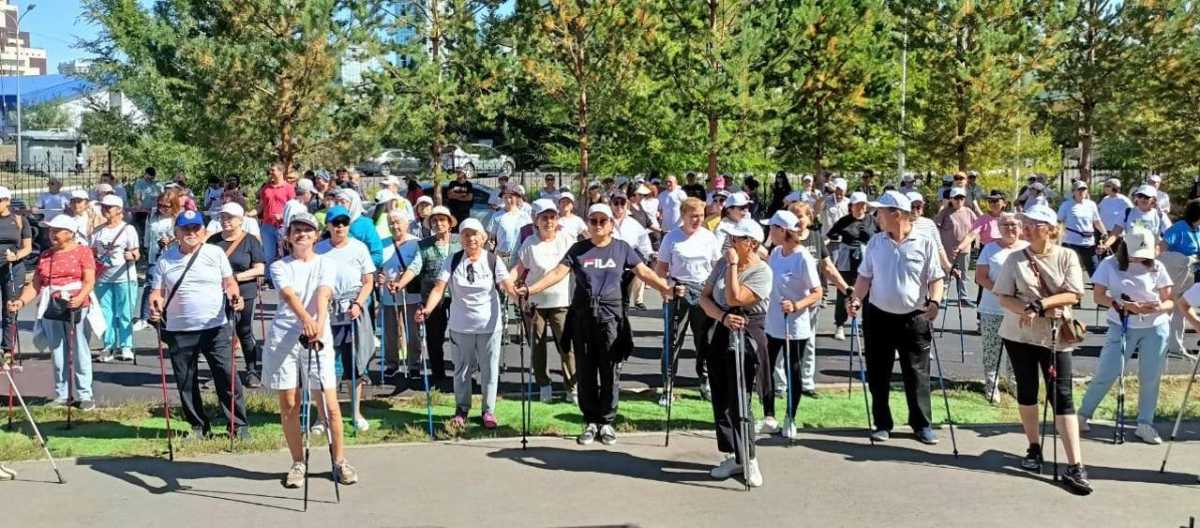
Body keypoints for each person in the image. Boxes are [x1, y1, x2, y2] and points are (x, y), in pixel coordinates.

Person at [520, 203, 671, 446]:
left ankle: (607, 422)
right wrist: (530, 289)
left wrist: (666, 288)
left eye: (603, 221)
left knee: (610, 370)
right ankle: (590, 421)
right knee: (586, 370)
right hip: (582, 317)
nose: (598, 225)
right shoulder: (578, 249)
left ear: (611, 224)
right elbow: (557, 273)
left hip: (611, 318)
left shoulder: (621, 248)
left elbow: (644, 272)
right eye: (593, 221)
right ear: (588, 224)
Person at [991, 204, 1091, 495]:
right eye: (1026, 222)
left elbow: (1074, 293)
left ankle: (1076, 465)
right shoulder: (1015, 259)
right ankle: (1034, 447)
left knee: (1062, 397)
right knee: (1026, 390)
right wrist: (1026, 308)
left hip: (1056, 336)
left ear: (1050, 228)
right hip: (1018, 335)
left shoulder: (1067, 255)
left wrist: (1041, 306)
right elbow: (1003, 297)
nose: (1027, 227)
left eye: (1035, 223)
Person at [263, 211, 358, 488]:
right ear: (289, 236)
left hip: (318, 333)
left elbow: (324, 294)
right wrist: (306, 320)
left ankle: (339, 460)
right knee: (290, 402)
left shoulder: (326, 263)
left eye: (307, 229)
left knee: (328, 404)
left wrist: (317, 325)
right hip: (285, 335)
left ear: (317, 235)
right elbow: (289, 295)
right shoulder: (280, 266)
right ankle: (297, 462)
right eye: (297, 230)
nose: (302, 234)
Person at [846, 190, 945, 445]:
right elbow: (865, 277)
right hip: (878, 316)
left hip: (914, 317)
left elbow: (936, 278)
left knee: (917, 373)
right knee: (878, 373)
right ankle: (882, 423)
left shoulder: (925, 242)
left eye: (880, 211)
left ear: (896, 214)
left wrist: (935, 302)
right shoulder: (876, 243)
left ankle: (921, 424)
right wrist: (856, 299)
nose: (876, 215)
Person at [147, 210, 248, 440]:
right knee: (186, 380)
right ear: (177, 233)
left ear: (203, 232)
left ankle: (238, 425)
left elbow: (229, 282)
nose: (191, 233)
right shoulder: (165, 260)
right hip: (179, 329)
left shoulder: (215, 253)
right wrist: (155, 305)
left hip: (215, 326)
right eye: (186, 229)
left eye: (195, 228)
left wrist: (235, 296)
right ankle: (198, 426)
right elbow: (157, 292)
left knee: (227, 375)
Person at [417, 218, 519, 429]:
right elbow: (439, 288)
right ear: (460, 238)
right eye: (465, 234)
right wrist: (427, 309)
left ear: (482, 237)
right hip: (461, 326)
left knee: (489, 370)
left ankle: (488, 410)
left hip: (489, 326)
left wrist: (519, 297)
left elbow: (507, 285)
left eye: (474, 234)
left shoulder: (493, 260)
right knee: (462, 370)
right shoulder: (453, 260)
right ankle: (461, 409)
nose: (470, 238)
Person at [1078, 225, 1173, 445]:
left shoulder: (1157, 266)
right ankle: (1083, 415)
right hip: (1122, 324)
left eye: (1144, 256)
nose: (1140, 260)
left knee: (1150, 376)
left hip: (1156, 327)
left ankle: (1145, 423)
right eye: (1136, 255)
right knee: (1107, 371)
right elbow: (1099, 297)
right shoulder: (1109, 264)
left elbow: (1169, 300)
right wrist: (1123, 304)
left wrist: (1156, 307)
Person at [697, 217, 771, 487]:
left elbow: (735, 298)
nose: (730, 242)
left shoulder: (762, 271)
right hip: (721, 328)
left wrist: (732, 264)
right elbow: (704, 298)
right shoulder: (721, 263)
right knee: (721, 394)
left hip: (748, 334)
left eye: (736, 239)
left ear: (751, 244)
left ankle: (749, 456)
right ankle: (733, 455)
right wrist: (721, 318)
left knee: (741, 396)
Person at [8, 215, 96, 408]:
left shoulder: (83, 251)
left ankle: (84, 395)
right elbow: (36, 284)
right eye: (50, 230)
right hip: (52, 306)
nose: (51, 234)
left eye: (56, 231)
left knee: (80, 349)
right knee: (58, 351)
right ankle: (62, 395)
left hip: (76, 305)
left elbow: (89, 280)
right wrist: (21, 301)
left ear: (70, 233)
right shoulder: (46, 255)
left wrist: (80, 297)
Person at [315, 206, 376, 431]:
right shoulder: (319, 249)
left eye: (344, 222)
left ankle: (355, 413)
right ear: (328, 225)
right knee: (325, 364)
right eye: (335, 223)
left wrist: (359, 303)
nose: (340, 227)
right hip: (327, 311)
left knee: (356, 364)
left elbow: (368, 281)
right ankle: (323, 417)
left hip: (352, 308)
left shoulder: (359, 248)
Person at [761, 210, 822, 438]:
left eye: (772, 228)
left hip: (794, 325)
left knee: (793, 370)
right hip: (772, 322)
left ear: (782, 231)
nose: (770, 232)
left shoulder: (802, 257)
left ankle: (790, 417)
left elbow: (817, 292)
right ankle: (769, 416)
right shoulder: (775, 253)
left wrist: (796, 305)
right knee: (765, 368)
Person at [656, 197, 721, 402]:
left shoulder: (708, 238)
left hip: (703, 292)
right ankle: (667, 386)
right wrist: (667, 289)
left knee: (706, 341)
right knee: (673, 340)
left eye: (700, 216)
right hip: (679, 291)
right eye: (693, 216)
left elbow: (715, 267)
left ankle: (706, 382)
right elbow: (661, 269)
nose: (697, 220)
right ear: (683, 215)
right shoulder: (671, 238)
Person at [514, 199, 577, 403]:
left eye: (552, 217)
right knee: (538, 345)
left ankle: (572, 387)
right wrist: (507, 284)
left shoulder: (567, 239)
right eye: (544, 218)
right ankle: (544, 385)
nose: (549, 221)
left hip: (562, 302)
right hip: (535, 304)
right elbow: (519, 270)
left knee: (566, 346)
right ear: (536, 220)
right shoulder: (529, 243)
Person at [207, 202, 267, 387]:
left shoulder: (250, 241)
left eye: (230, 217)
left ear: (241, 220)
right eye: (223, 217)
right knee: (221, 334)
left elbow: (259, 268)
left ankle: (251, 370)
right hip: (217, 292)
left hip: (244, 291)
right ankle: (222, 373)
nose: (226, 221)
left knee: (244, 331)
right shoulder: (213, 240)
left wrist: (233, 277)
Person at [975, 213, 1025, 402]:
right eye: (1005, 224)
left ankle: (1013, 382)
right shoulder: (989, 249)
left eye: (1013, 224)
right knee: (991, 349)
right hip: (992, 307)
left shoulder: (1028, 248)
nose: (1010, 228)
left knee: (1017, 349)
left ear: (1020, 227)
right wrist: (1001, 293)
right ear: (998, 227)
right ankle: (991, 384)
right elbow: (980, 277)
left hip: (1019, 309)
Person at [413, 206, 460, 384]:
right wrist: (401, 282)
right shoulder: (423, 245)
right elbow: (415, 267)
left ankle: (463, 375)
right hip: (432, 296)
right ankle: (438, 375)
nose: (438, 223)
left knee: (461, 337)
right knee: (434, 337)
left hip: (457, 295)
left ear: (449, 223)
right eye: (435, 220)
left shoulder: (459, 241)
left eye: (442, 220)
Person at [91, 195, 140, 363]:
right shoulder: (97, 231)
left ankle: (126, 346)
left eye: (108, 207)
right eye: (103, 207)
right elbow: (92, 252)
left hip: (124, 277)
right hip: (103, 278)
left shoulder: (128, 230)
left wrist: (131, 255)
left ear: (119, 210)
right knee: (105, 314)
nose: (105, 210)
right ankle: (108, 345)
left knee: (125, 313)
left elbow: (136, 252)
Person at [825, 191, 877, 340]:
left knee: (868, 293)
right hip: (847, 259)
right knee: (844, 291)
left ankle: (866, 325)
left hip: (867, 259)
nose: (860, 207)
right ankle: (840, 324)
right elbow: (830, 236)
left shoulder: (872, 221)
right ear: (851, 206)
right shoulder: (844, 221)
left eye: (863, 204)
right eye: (857, 204)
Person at [378, 209, 423, 381]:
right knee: (391, 331)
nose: (394, 226)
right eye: (391, 222)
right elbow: (377, 268)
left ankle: (414, 365)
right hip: (389, 294)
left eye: (397, 222)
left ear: (407, 223)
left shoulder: (416, 242)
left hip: (411, 294)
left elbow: (420, 267)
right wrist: (378, 276)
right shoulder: (382, 243)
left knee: (413, 332)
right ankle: (392, 364)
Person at [1160, 200, 1200, 358]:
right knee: (1170, 309)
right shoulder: (1179, 228)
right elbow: (1161, 248)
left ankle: (1175, 347)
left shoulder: (1197, 229)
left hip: (1189, 275)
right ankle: (1161, 345)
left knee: (1180, 310)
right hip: (1175, 274)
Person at [0, 187, 32, 356]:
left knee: (10, 308)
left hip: (13, 267)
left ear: (7, 201)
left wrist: (16, 255)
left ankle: (7, 348)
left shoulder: (19, 219)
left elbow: (28, 248)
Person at [934, 187, 979, 306]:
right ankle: (942, 297)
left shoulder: (969, 212)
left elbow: (975, 229)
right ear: (951, 199)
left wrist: (965, 244)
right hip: (947, 250)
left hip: (964, 249)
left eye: (961, 198)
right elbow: (935, 229)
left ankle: (963, 297)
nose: (959, 200)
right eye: (956, 198)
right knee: (945, 273)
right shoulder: (945, 212)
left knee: (963, 274)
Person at [610, 192, 654, 310]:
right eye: (616, 203)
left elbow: (644, 241)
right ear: (611, 205)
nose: (619, 206)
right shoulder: (605, 222)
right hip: (609, 265)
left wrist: (649, 255)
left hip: (628, 266)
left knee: (624, 298)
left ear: (627, 205)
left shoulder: (634, 224)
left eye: (622, 203)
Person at [1057, 181, 1107, 278]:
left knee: (1094, 269)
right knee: (1070, 269)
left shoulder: (1091, 205)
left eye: (1084, 189)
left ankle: (1097, 289)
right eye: (1079, 190)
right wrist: (1057, 238)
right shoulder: (1066, 205)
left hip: (1088, 242)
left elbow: (1097, 221)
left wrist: (1104, 232)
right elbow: (1059, 222)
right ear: (1073, 192)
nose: (1081, 192)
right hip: (1071, 242)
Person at [1100, 184, 1170, 252]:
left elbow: (1170, 235)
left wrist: (1158, 250)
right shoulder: (1127, 212)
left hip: (1151, 254)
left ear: (1154, 199)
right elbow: (1115, 232)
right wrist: (1105, 245)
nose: (1143, 199)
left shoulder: (1160, 215)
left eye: (1147, 197)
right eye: (1140, 196)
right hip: (1130, 253)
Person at [334, 189, 384, 267]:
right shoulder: (332, 223)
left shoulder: (365, 224)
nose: (339, 205)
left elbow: (377, 255)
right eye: (336, 202)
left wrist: (357, 267)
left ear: (353, 203)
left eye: (343, 202)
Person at [488, 184, 533, 267]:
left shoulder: (525, 216)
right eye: (505, 197)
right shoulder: (497, 216)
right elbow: (492, 238)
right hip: (502, 256)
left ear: (517, 198)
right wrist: (490, 254)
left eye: (511, 197)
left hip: (520, 257)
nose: (508, 200)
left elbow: (530, 237)